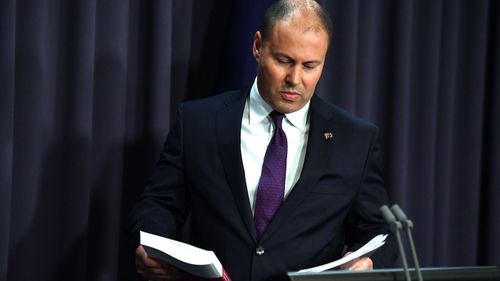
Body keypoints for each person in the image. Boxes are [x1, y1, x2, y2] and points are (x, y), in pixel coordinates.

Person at [128, 0, 396, 280]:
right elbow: (159, 204)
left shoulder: (355, 140)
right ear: (258, 46)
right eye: (283, 61)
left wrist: (366, 261)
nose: (295, 79)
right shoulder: (199, 122)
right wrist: (150, 244)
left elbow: (379, 232)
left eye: (310, 66)